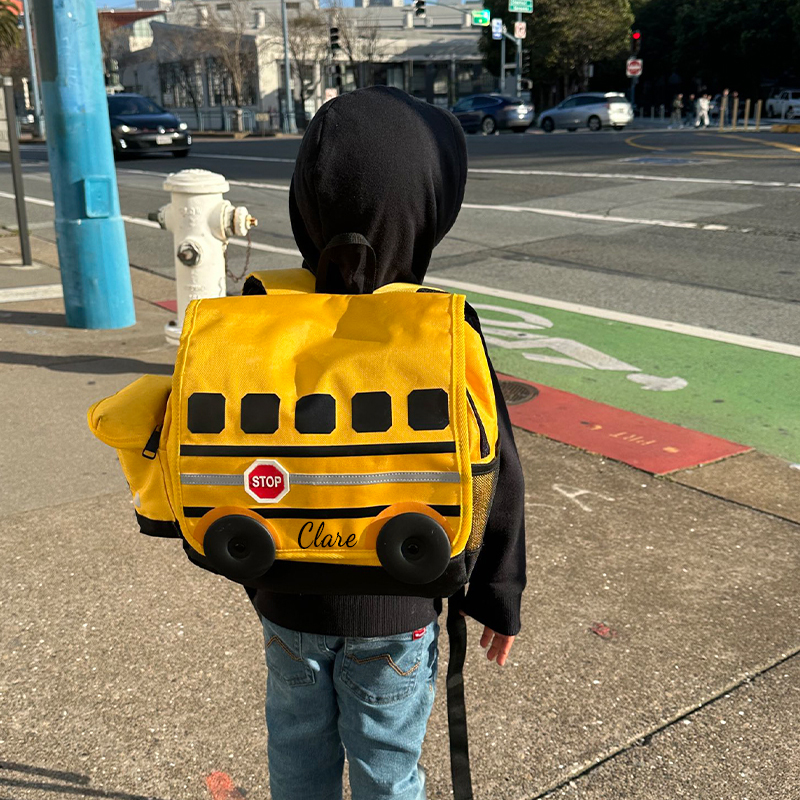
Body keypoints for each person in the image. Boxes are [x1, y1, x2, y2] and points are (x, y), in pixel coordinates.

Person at [250, 86, 527, 800]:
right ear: (430, 212)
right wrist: (495, 594)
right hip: (399, 605)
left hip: (286, 593)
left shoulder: (263, 316)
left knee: (296, 752)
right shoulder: (437, 329)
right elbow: (492, 465)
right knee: (386, 765)